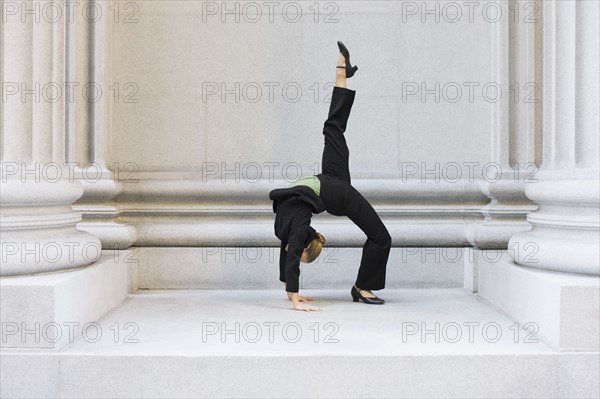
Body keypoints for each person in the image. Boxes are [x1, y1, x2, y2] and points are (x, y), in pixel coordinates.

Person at [269, 41, 392, 312]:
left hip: (337, 191)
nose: (295, 254)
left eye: (299, 255)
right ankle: (340, 74)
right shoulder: (286, 227)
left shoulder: (296, 229)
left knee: (382, 237)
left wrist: (295, 297)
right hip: (326, 180)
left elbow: (290, 255)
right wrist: (292, 292)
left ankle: (362, 288)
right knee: (332, 129)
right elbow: (288, 253)